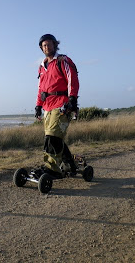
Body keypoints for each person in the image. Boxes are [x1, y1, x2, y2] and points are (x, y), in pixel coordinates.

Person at [34, 34, 79, 177]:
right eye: (44, 45)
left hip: (62, 104)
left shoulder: (62, 61)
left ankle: (52, 169)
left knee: (52, 137)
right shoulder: (42, 67)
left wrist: (72, 99)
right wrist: (38, 106)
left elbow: (72, 79)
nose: (47, 47)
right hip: (47, 106)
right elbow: (41, 89)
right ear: (41, 48)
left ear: (54, 45)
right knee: (54, 137)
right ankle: (70, 165)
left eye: (49, 44)